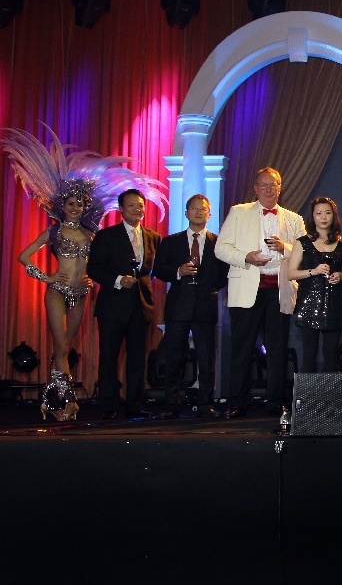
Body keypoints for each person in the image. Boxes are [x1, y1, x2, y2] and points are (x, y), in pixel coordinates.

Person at [5, 127, 165, 421]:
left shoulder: (94, 235)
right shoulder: (53, 231)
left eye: (79, 204)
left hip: (82, 292)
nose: (75, 208)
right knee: (61, 345)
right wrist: (46, 277)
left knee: (67, 346)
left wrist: (95, 277)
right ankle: (64, 402)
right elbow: (23, 256)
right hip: (58, 290)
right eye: (71, 204)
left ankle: (57, 399)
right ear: (61, 206)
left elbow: (98, 265)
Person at [215, 167, 305, 418]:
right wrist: (247, 257)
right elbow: (220, 248)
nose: (268, 190)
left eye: (273, 185)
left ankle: (275, 401)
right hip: (247, 287)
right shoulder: (239, 212)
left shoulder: (293, 219)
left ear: (280, 188)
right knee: (242, 347)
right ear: (255, 188)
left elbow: (305, 253)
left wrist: (284, 247)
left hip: (279, 289)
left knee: (277, 348)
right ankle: (238, 401)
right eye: (263, 185)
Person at [153, 194, 229, 418]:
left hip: (205, 306)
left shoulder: (218, 244)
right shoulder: (171, 241)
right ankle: (172, 404)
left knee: (206, 358)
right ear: (186, 213)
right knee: (174, 357)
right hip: (178, 306)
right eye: (194, 208)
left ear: (209, 214)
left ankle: (205, 403)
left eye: (202, 209)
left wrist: (208, 288)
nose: (198, 212)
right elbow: (159, 269)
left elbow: (223, 275)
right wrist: (178, 272)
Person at [87, 189, 162, 419]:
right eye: (131, 205)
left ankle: (134, 405)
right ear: (121, 209)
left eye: (140, 205)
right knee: (109, 357)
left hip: (141, 306)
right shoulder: (106, 236)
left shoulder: (153, 237)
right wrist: (119, 280)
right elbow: (94, 269)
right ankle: (108, 405)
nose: (137, 209)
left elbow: (154, 270)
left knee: (138, 359)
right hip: (112, 306)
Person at [289, 197, 342, 374]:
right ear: (312, 217)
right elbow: (291, 273)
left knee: (331, 356)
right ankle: (307, 392)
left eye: (327, 213)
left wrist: (341, 276)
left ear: (334, 216)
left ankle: (329, 392)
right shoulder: (302, 242)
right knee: (309, 355)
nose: (323, 217)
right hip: (309, 304)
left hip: (335, 304)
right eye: (318, 213)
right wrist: (314, 271)